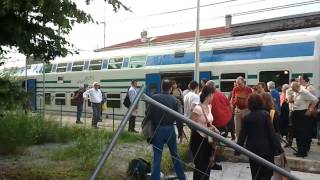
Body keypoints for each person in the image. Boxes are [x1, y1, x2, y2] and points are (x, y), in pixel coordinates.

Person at [236, 93, 283, 180]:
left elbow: (242, 135)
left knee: (255, 173)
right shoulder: (265, 115)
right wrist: (279, 149)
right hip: (266, 149)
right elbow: (271, 133)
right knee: (266, 174)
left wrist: (237, 150)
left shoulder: (247, 117)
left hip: (253, 150)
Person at [149, 80, 185, 180]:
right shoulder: (174, 100)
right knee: (175, 155)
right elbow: (179, 118)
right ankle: (182, 177)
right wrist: (180, 132)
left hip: (157, 129)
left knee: (157, 157)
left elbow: (148, 115)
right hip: (170, 129)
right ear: (170, 88)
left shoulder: (154, 98)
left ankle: (155, 178)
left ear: (161, 87)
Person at [190, 85, 219, 180]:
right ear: (209, 95)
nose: (214, 97)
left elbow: (209, 122)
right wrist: (204, 129)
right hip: (198, 139)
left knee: (207, 165)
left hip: (208, 140)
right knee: (200, 166)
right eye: (213, 94)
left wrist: (213, 127)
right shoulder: (198, 108)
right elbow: (191, 124)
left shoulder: (209, 107)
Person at [206, 80, 232, 170]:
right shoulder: (221, 94)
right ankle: (215, 161)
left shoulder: (209, 96)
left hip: (214, 124)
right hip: (223, 123)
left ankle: (212, 163)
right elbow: (229, 105)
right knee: (218, 144)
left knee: (212, 145)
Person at [291, 82, 318, 157]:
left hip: (302, 114)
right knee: (298, 133)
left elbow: (315, 99)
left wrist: (310, 110)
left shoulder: (304, 92)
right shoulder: (296, 92)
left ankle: (303, 152)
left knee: (303, 134)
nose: (292, 89)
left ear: (296, 87)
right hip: (296, 113)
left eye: (292, 88)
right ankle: (300, 150)